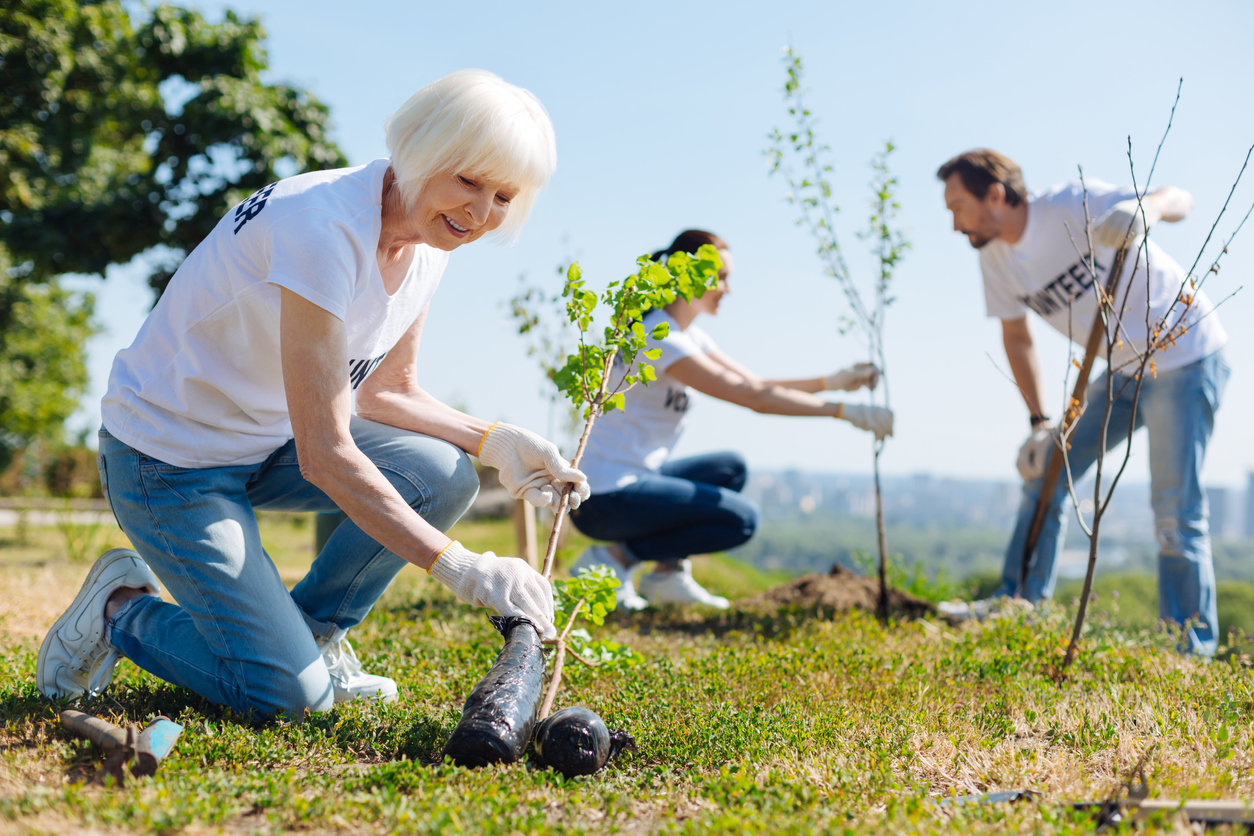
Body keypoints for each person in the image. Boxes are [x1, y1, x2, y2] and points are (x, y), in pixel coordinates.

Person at [36, 70, 590, 716]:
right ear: (420, 151)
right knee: (286, 700)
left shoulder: (427, 242)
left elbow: (387, 393)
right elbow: (325, 454)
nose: (480, 213)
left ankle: (313, 638)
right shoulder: (320, 227)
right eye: (468, 180)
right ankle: (119, 611)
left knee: (442, 473)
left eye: (502, 195)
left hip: (266, 442)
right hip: (168, 463)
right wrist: (461, 568)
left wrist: (494, 442)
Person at [935, 149, 1229, 654]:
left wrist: (1148, 209)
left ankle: (1189, 647)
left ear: (996, 195)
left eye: (958, 206)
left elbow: (1182, 198)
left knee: (1175, 510)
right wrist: (1037, 421)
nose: (954, 224)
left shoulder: (1072, 204)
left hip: (1184, 357)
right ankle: (1018, 602)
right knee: (1049, 466)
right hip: (1120, 370)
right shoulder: (996, 259)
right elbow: (1018, 337)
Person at [567, 230, 894, 610]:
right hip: (602, 499)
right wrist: (845, 413)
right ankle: (613, 559)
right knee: (742, 519)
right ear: (686, 274)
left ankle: (665, 576)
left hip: (633, 480)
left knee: (729, 468)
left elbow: (753, 383)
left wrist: (832, 382)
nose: (728, 288)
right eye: (720, 277)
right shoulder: (663, 340)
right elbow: (754, 399)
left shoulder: (685, 336)